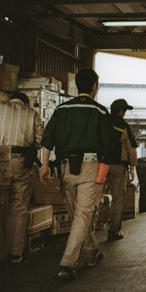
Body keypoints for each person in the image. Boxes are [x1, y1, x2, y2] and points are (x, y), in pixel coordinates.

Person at [39, 69, 114, 280]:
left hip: (65, 168)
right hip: (90, 166)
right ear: (94, 87)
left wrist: (44, 166)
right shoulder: (100, 112)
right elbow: (109, 145)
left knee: (78, 216)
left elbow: (47, 139)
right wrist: (103, 172)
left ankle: (91, 252)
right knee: (83, 215)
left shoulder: (62, 110)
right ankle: (67, 264)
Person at [0, 92, 44, 264]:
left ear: (11, 100)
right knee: (18, 207)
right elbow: (40, 140)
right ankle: (15, 253)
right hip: (21, 164)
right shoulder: (32, 113)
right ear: (25, 102)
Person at [98, 98, 138, 241]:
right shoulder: (124, 125)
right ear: (121, 111)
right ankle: (113, 231)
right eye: (125, 110)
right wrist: (132, 167)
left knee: (96, 196)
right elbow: (131, 148)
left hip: (101, 166)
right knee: (117, 199)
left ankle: (91, 227)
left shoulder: (102, 121)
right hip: (118, 167)